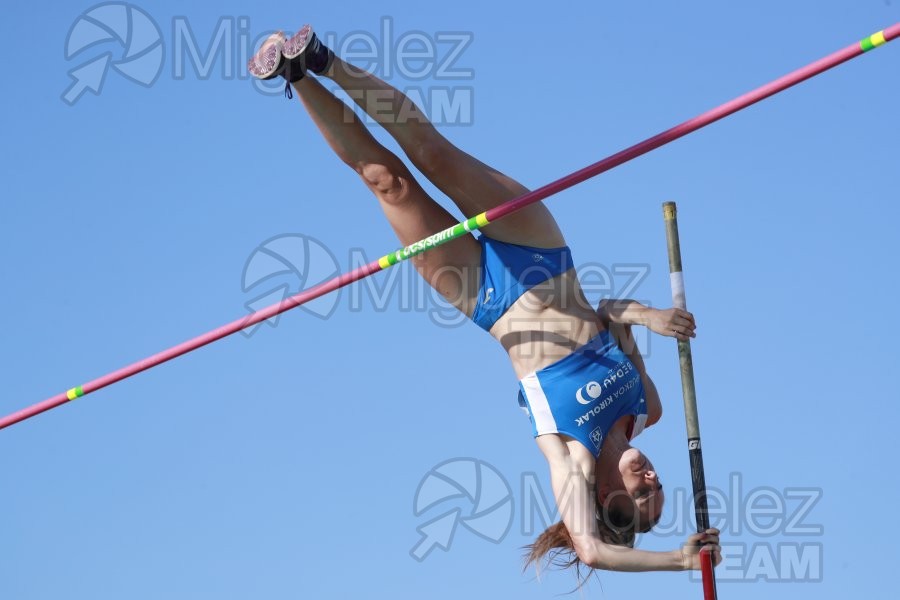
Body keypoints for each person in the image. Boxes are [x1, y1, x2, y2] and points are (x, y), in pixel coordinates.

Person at [248, 25, 721, 576]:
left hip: (487, 300)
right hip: (541, 256)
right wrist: (653, 317)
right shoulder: (647, 407)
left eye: (644, 500)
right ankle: (325, 61)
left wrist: (677, 561)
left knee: (388, 182)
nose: (654, 482)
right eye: (660, 489)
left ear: (604, 501)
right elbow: (612, 313)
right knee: (433, 154)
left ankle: (295, 75)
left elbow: (592, 551)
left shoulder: (572, 458)